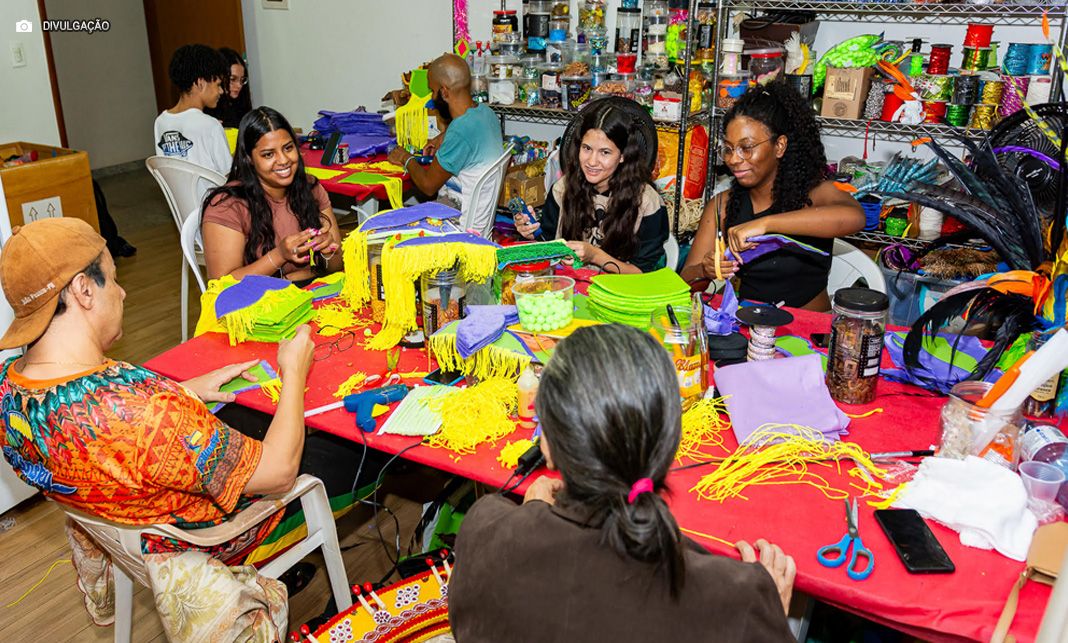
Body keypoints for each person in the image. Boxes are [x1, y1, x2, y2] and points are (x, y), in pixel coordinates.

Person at [0, 218, 372, 626]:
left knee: (244, 413)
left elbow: (111, 426)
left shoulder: (9, 392)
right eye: (114, 279)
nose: (122, 292)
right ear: (84, 290)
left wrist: (186, 390)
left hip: (129, 527)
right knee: (356, 449)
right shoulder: (150, 413)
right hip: (211, 540)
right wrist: (295, 370)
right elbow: (280, 472)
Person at [449, 324, 796, 642]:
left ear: (547, 446)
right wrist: (769, 617)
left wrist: (531, 517)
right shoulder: (736, 599)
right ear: (670, 445)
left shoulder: (483, 531)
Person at [680, 81, 864, 310]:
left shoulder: (816, 193)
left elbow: (856, 217)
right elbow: (685, 281)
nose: (733, 159)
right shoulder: (722, 205)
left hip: (807, 327)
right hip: (748, 323)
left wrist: (765, 225)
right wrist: (705, 270)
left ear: (779, 146)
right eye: (728, 148)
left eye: (746, 148)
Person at [513, 99, 669, 273]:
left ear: (623, 156)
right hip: (569, 285)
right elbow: (548, 248)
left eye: (605, 152)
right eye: (586, 148)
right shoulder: (562, 189)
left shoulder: (647, 202)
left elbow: (644, 274)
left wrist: (595, 256)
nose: (592, 162)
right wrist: (532, 234)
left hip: (621, 289)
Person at [202, 106, 342, 283]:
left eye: (288, 148)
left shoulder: (310, 188)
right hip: (259, 298)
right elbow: (222, 286)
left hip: (311, 290)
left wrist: (328, 250)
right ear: (248, 158)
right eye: (268, 154)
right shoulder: (228, 206)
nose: (283, 160)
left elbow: (336, 266)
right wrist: (279, 256)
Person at [386, 54, 503, 228]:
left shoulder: (460, 132)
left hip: (459, 225)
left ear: (444, 92)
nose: (432, 98)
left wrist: (405, 157)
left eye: (433, 91)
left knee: (388, 223)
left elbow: (428, 186)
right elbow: (466, 131)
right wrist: (443, 137)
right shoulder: (487, 113)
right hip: (479, 218)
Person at [153, 44, 233, 177]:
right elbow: (228, 174)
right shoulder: (211, 125)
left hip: (178, 192)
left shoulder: (160, 122)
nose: (221, 91)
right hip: (213, 191)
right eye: (218, 85)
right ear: (200, 83)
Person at [206, 47, 253, 129]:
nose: (239, 85)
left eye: (242, 80)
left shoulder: (242, 105)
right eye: (232, 79)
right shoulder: (208, 110)